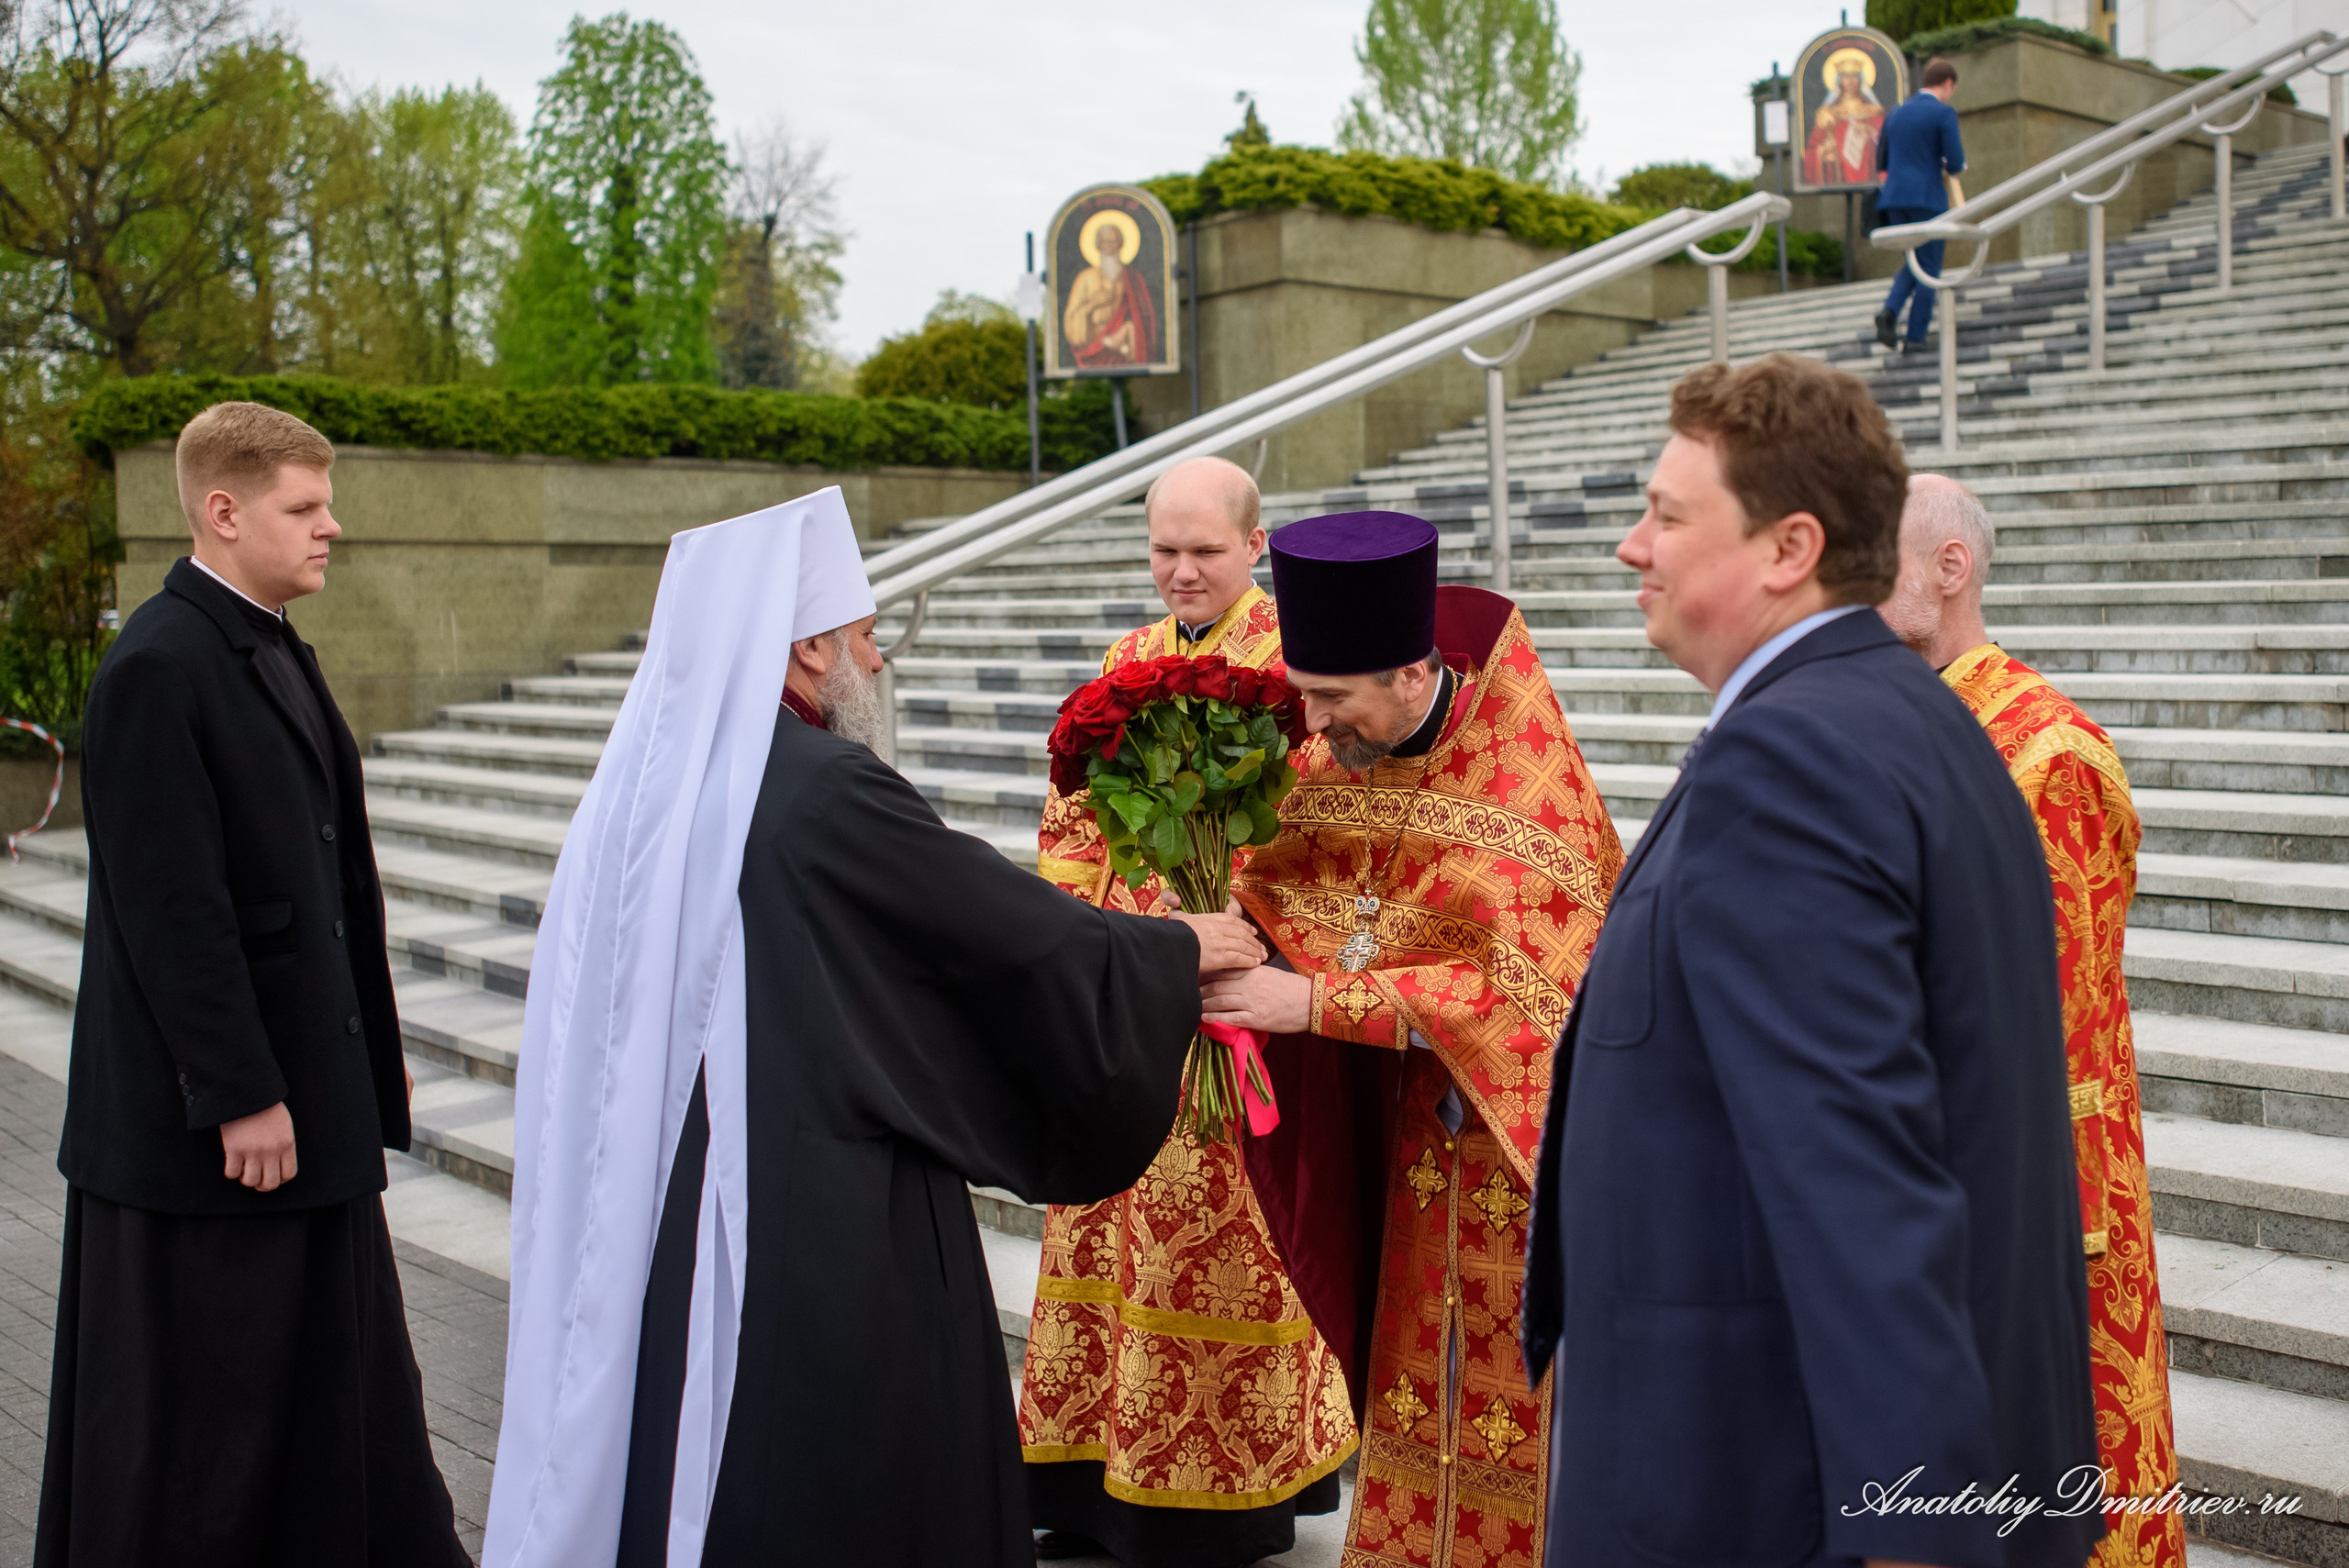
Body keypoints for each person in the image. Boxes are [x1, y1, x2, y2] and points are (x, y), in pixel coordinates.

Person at [484, 488, 1264, 1568]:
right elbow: (1007, 934)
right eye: (861, 637)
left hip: (679, 1189)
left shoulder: (663, 781)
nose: (877, 664)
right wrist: (1180, 949)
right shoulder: (824, 787)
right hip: (817, 1210)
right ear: (807, 650)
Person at [1523, 355, 2103, 1568]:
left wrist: (1915, 1534)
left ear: (1789, 548)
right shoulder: (1902, 713)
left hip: (1751, 1490)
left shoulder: (1794, 763)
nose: (1635, 548)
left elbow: (1865, 1191)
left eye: (1669, 516)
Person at [37, 402, 466, 1566]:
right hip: (217, 1145)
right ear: (222, 513)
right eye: (306, 506)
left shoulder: (266, 639)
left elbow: (313, 886)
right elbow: (173, 912)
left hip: (296, 1104)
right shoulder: (159, 665)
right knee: (213, 1429)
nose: (334, 527)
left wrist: (358, 1043)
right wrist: (239, 1091)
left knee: (337, 1401)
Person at [1208, 510, 1622, 1568]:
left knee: (1507, 1409)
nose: (1310, 720)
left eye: (1332, 697)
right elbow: (1285, 882)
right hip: (1404, 1142)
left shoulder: (1521, 771)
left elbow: (1533, 988)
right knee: (1407, 1387)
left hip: (1511, 1154)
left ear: (1407, 670)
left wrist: (1314, 1005)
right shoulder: (1335, 747)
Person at [1021, 457, 1354, 1567]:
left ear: (1254, 545)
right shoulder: (1127, 661)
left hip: (1236, 1009)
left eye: (1204, 550)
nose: (1180, 571)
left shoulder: (1300, 667)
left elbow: (1329, 835)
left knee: (1223, 1243)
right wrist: (1089, 937)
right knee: (1108, 1231)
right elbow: (1071, 823)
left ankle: (1224, 1497)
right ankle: (1089, 1484)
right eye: (1163, 549)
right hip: (1129, 1000)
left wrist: (1231, 920)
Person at [1880, 473, 2185, 1568]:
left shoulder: (2043, 753)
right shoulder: (1914, 722)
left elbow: (2033, 1009)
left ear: (1947, 570)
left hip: (2035, 1187)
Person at [1876, 56, 1967, 352]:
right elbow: (1954, 162)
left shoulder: (1896, 114)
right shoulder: (1943, 113)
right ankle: (1915, 337)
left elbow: (1882, 160)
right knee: (1928, 267)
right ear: (1948, 83)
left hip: (1894, 199)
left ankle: (1890, 312)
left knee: (1913, 261)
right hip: (1927, 197)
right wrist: (1952, 165)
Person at [1063, 214, 1158, 367]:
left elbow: (1144, 317)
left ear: (1120, 244)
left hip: (1124, 346)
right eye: (1105, 241)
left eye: (1114, 241)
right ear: (1097, 245)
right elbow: (1071, 320)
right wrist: (1091, 305)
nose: (1109, 246)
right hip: (1094, 345)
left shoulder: (1133, 277)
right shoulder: (1085, 278)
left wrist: (1127, 329)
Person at [1803, 47, 1887, 186]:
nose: (1850, 81)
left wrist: (1869, 131)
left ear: (1860, 79)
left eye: (1854, 75)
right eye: (1845, 76)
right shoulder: (1827, 114)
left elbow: (1885, 143)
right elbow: (1812, 150)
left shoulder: (1874, 112)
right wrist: (1824, 150)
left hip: (1869, 174)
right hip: (1838, 175)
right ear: (1839, 80)